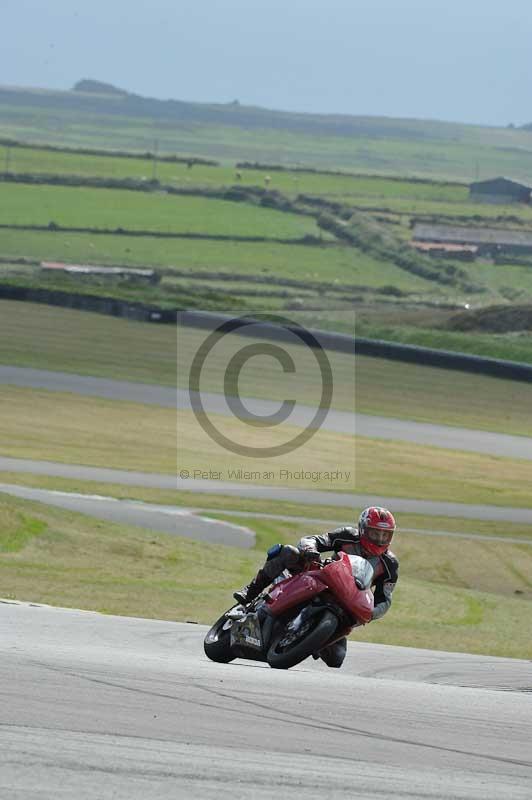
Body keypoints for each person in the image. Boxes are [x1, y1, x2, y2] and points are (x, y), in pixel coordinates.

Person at [233, 506, 398, 668]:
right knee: (289, 553)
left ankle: (305, 638)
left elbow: (385, 599)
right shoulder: (347, 535)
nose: (380, 539)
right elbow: (314, 540)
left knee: (336, 659)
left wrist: (370, 612)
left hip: (348, 602)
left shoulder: (390, 564)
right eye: (375, 533)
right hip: (323, 578)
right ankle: (250, 593)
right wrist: (310, 549)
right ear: (363, 529)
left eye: (385, 535)